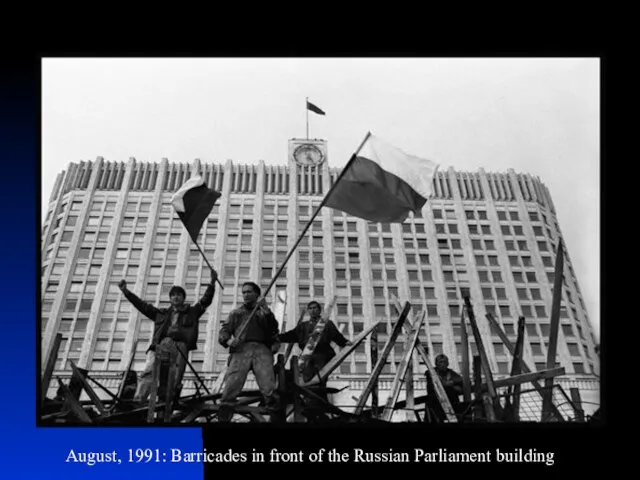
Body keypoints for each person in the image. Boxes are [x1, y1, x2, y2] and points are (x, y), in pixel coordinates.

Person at [118, 268, 217, 403]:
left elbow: (206, 300)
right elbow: (142, 306)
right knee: (150, 371)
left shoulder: (192, 312)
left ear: (183, 298)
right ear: (170, 298)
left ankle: (167, 400)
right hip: (162, 344)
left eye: (179, 295)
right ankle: (139, 399)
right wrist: (126, 292)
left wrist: (212, 283)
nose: (176, 297)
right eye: (173, 295)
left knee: (175, 376)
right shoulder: (161, 314)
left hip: (180, 346)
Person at [217, 282, 280, 422]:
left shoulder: (264, 313)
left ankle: (273, 407)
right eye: (244, 292)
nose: (245, 295)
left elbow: (274, 329)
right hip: (241, 349)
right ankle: (226, 407)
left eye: (249, 292)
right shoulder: (236, 313)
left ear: (257, 294)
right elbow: (224, 331)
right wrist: (228, 341)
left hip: (261, 348)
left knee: (267, 381)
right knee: (234, 379)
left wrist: (266, 310)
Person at [278, 300, 352, 383]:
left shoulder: (327, 324)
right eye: (310, 308)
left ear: (319, 310)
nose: (312, 310)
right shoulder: (303, 326)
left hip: (322, 356)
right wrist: (277, 337)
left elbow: (337, 336)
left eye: (315, 308)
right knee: (306, 379)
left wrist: (345, 342)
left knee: (320, 379)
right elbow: (291, 335)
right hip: (307, 357)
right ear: (308, 311)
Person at [425, 353, 463, 422]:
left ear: (447, 363)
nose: (443, 364)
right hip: (435, 404)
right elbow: (437, 385)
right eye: (440, 362)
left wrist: (451, 383)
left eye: (444, 362)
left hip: (451, 404)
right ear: (436, 364)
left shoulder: (450, 372)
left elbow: (460, 380)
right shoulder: (431, 372)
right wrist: (449, 384)